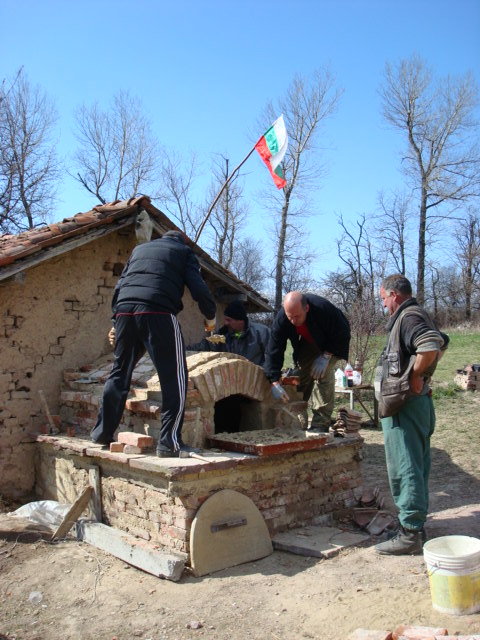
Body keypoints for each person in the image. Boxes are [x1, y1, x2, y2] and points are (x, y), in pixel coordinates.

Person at [90, 230, 216, 458]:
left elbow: (120, 287)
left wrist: (114, 321)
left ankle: (102, 433)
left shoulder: (139, 250)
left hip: (124, 312)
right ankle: (169, 442)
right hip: (158, 311)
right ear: (183, 242)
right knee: (175, 378)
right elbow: (199, 288)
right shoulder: (185, 252)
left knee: (119, 373)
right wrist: (210, 316)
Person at [374, 274, 449, 555]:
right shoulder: (414, 314)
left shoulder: (408, 316)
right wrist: (424, 376)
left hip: (405, 407)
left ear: (394, 295)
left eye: (383, 299)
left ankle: (410, 534)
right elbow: (442, 341)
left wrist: (417, 376)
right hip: (411, 406)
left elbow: (430, 346)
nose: (383, 305)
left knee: (406, 469)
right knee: (414, 467)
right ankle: (414, 525)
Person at [264, 291, 351, 432]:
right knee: (301, 375)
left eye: (297, 316)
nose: (293, 321)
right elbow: (274, 349)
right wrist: (273, 380)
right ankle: (298, 417)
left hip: (332, 343)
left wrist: (326, 355)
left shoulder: (323, 309)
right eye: (289, 317)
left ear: (307, 308)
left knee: (323, 373)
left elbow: (343, 332)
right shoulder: (282, 318)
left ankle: (320, 424)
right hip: (309, 343)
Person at [186, 299, 270, 366]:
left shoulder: (261, 333)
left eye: (229, 320)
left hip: (255, 382)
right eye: (225, 319)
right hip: (230, 381)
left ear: (240, 321)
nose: (226, 323)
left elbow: (272, 357)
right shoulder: (224, 334)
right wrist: (183, 350)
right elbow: (205, 345)